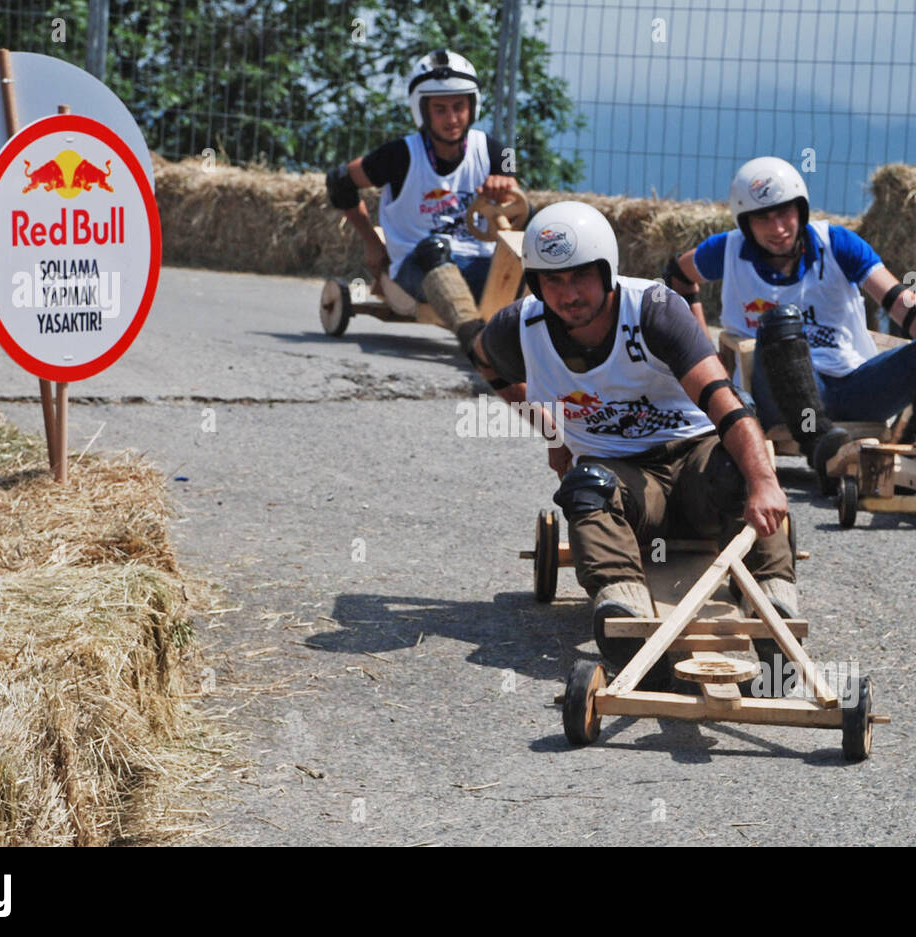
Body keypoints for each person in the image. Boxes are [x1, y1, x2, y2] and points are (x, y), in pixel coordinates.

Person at [471, 201, 795, 690]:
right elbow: (484, 363)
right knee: (586, 487)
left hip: (695, 462)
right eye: (553, 281)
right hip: (627, 485)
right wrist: (551, 428)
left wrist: (765, 482)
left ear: (607, 271)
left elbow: (724, 402)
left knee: (742, 468)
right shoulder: (519, 328)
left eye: (580, 277)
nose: (568, 294)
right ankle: (627, 622)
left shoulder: (655, 311)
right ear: (536, 284)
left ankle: (775, 613)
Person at [664, 156, 916, 492]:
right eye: (763, 218)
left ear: (801, 210)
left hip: (852, 386)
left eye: (785, 213)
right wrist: (707, 355)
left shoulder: (837, 243)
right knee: (783, 321)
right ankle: (822, 449)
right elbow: (678, 276)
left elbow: (900, 301)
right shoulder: (726, 250)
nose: (778, 228)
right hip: (777, 398)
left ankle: (910, 442)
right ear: (745, 223)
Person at [324, 49, 517, 360]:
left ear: (472, 106)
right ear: (422, 111)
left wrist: (505, 187)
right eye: (440, 109)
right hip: (418, 266)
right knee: (433, 248)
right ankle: (476, 342)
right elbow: (339, 182)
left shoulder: (496, 151)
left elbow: (517, 202)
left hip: (483, 265)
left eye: (459, 107)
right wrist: (372, 243)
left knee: (539, 237)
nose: (452, 119)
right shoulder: (399, 155)